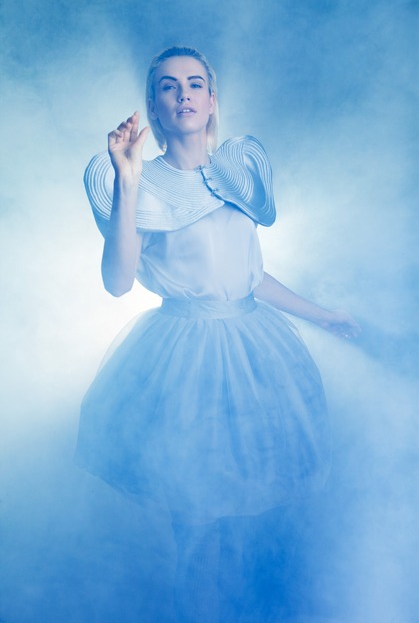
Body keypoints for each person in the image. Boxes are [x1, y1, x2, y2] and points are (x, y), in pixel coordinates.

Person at [75, 46, 360, 622]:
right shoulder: (143, 185)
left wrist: (322, 315)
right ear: (154, 107)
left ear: (211, 101)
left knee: (236, 525)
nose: (183, 94)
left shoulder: (237, 172)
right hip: (185, 361)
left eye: (194, 83)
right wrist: (128, 179)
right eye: (168, 86)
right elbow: (117, 282)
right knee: (198, 523)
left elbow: (250, 275)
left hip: (254, 353)